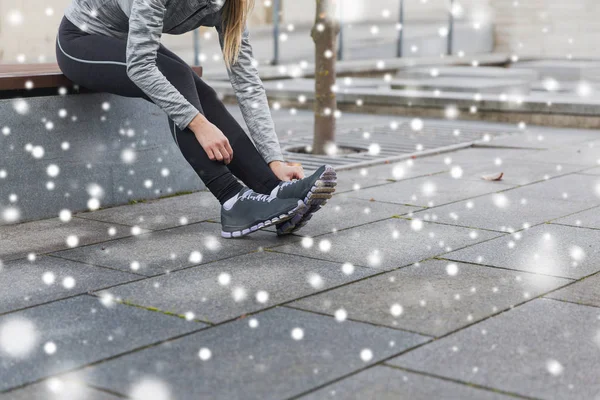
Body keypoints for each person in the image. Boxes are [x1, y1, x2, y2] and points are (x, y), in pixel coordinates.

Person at [55, 0, 337, 238]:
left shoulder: (230, 4)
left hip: (125, 38)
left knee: (200, 90)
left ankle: (274, 190)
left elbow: (247, 82)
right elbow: (141, 67)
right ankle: (232, 201)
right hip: (81, 39)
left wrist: (274, 159)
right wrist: (199, 124)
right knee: (176, 78)